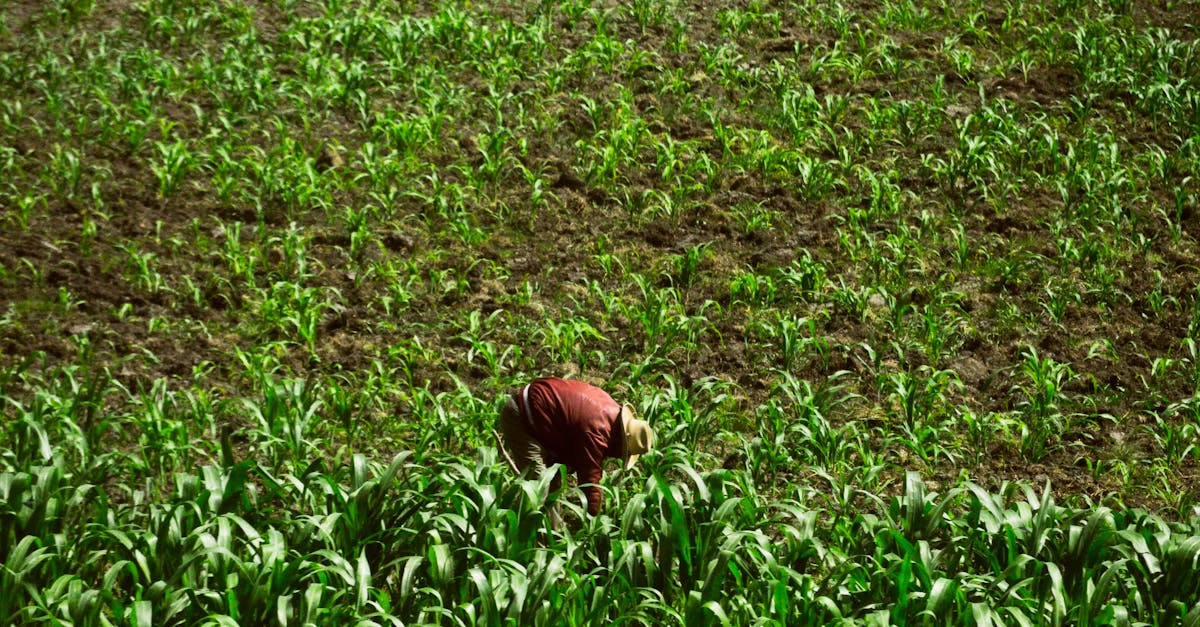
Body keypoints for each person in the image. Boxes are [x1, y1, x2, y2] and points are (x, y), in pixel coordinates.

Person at [497, 377, 654, 517]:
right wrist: (594, 518)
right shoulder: (597, 432)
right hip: (522, 416)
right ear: (622, 442)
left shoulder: (610, 410)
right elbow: (589, 478)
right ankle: (526, 536)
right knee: (539, 489)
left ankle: (551, 533)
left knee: (552, 481)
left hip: (542, 415)